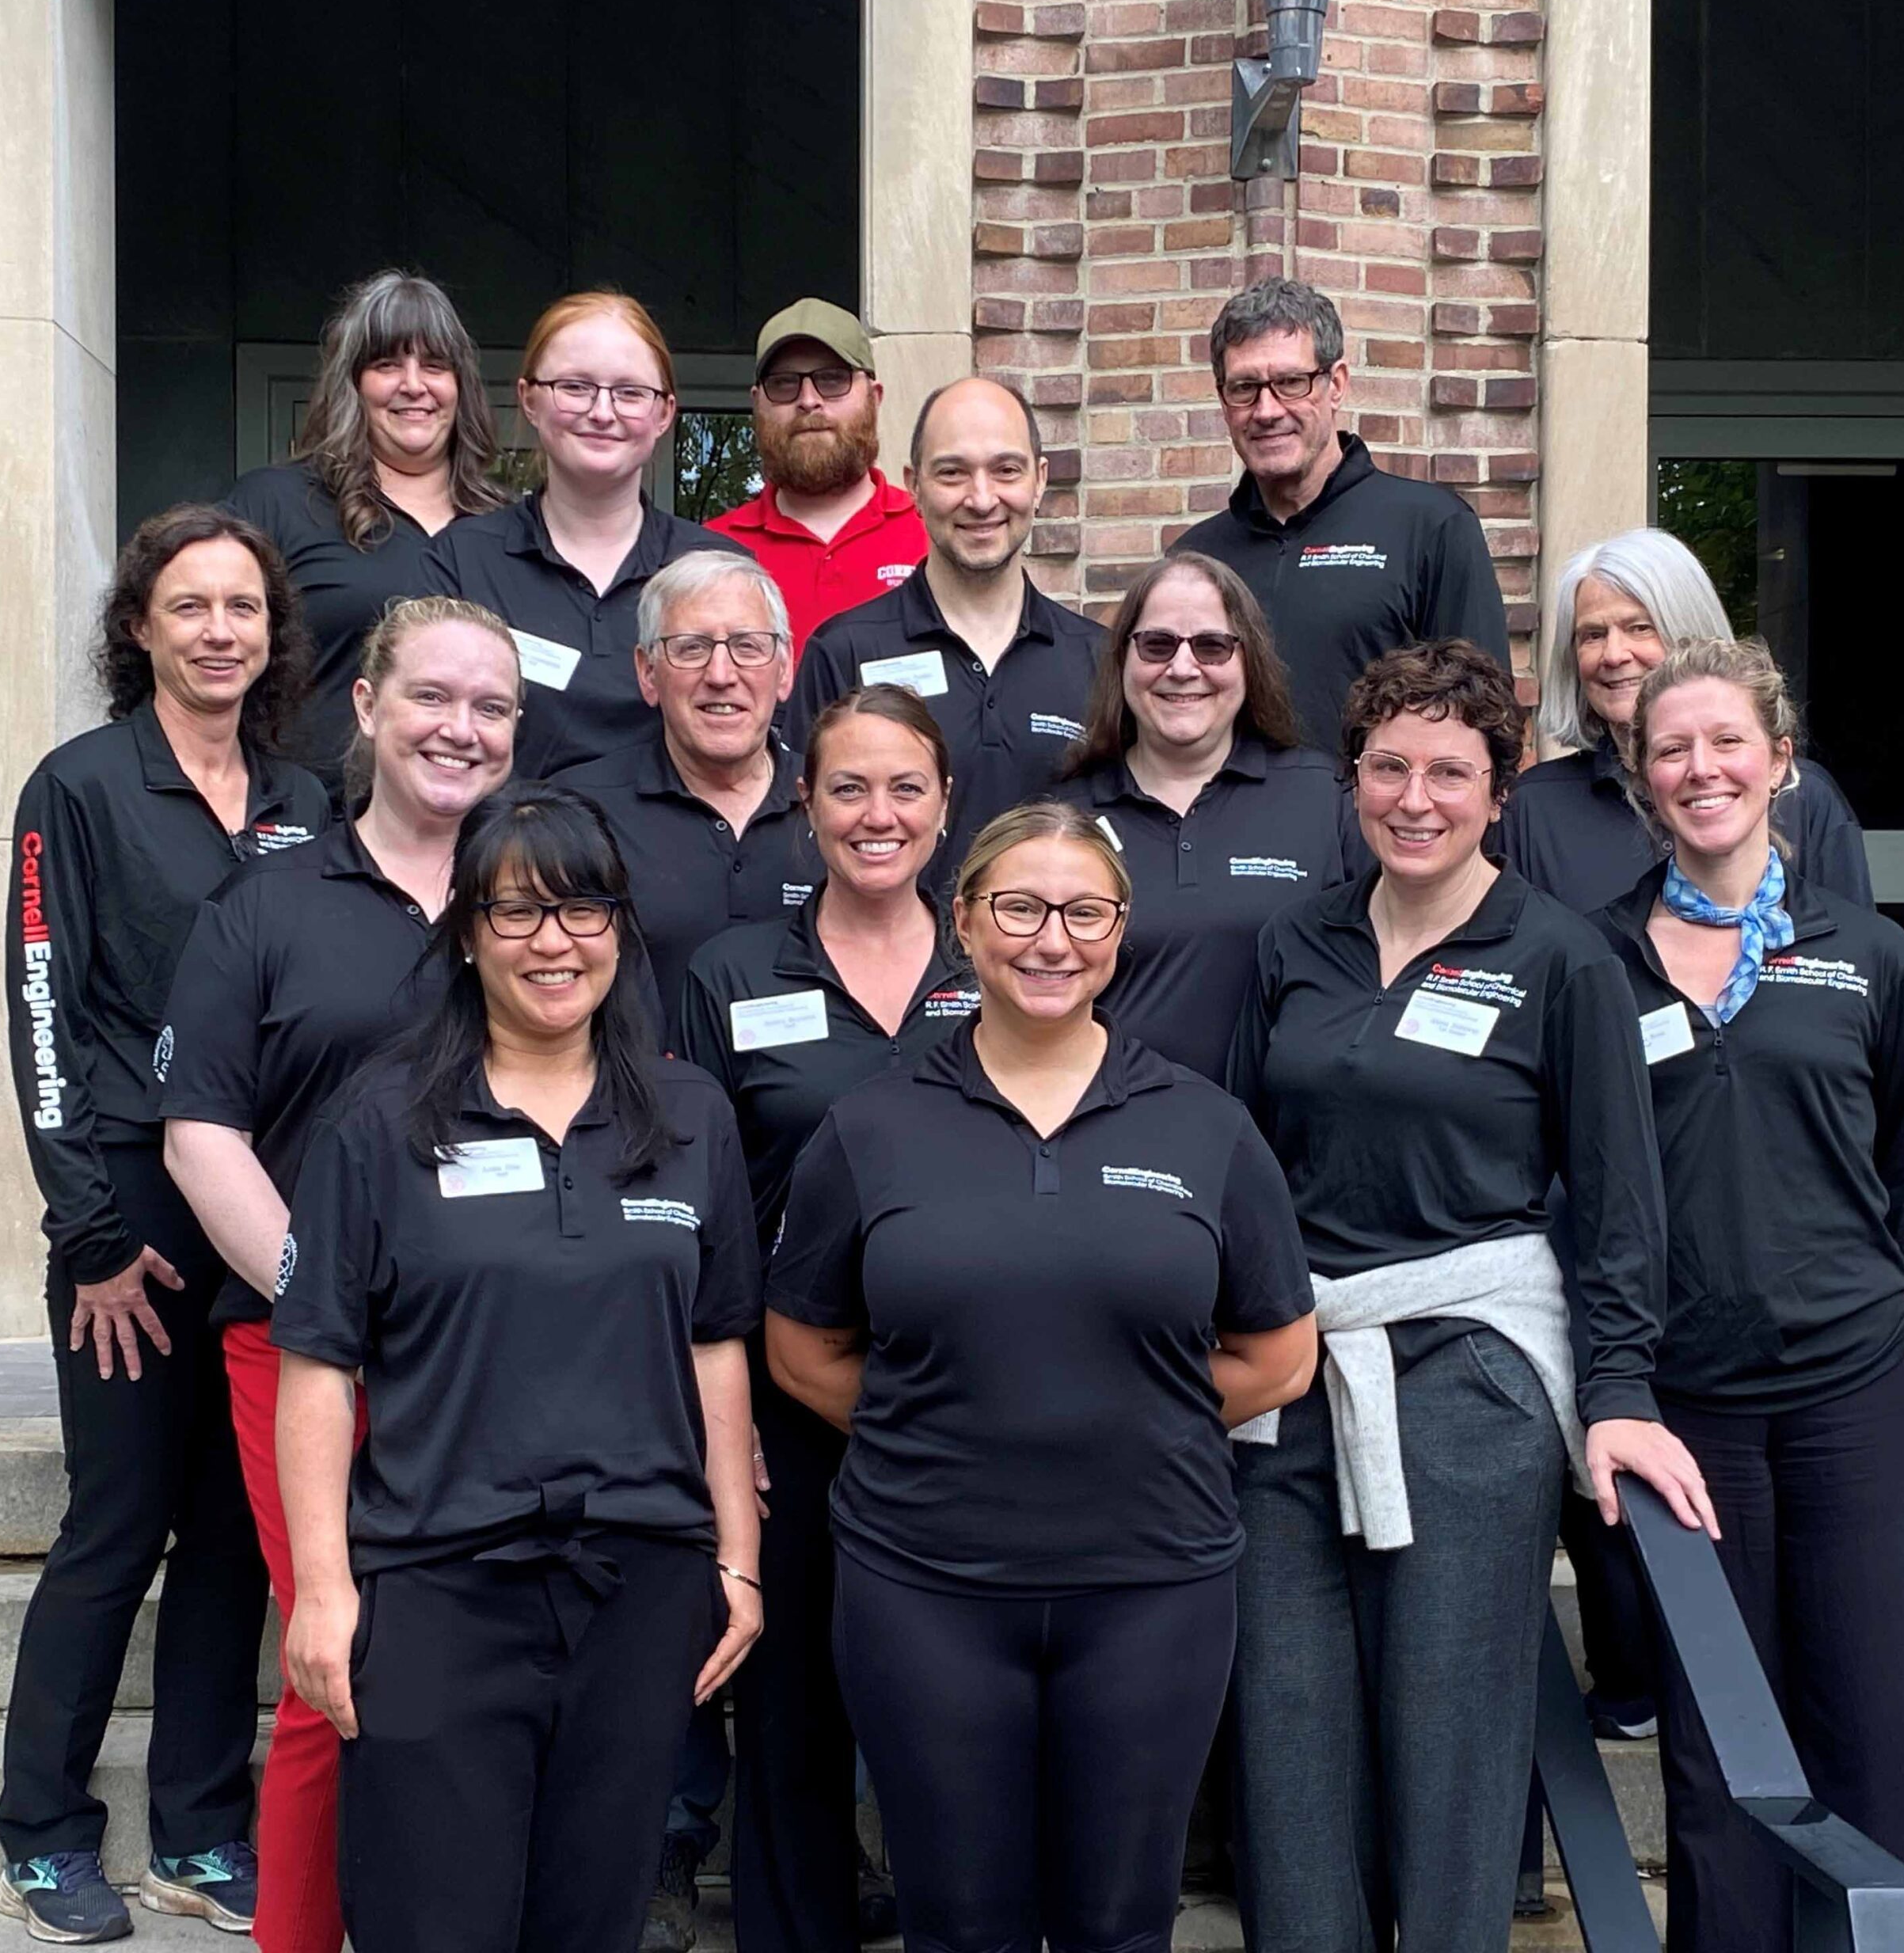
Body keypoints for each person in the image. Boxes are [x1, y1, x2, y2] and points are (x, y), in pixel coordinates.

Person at [1224, 640, 1711, 1953]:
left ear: (1502, 791)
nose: (1416, 797)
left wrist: (1615, 1394)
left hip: (1473, 1377)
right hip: (1297, 1379)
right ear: (1355, 780)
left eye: (1451, 770)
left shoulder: (1558, 957)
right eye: (1389, 767)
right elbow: (1242, 1167)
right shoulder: (1297, 941)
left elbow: (1618, 1204)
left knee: (1451, 1734)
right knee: (1289, 1728)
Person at [766, 801, 1318, 1953]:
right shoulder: (872, 1127)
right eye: (1019, 906)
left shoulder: (1202, 1126)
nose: (1050, 938)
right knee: (959, 1924)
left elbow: (1281, 1352)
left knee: (1120, 1925)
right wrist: (948, 1420)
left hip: (1152, 1587)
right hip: (926, 1586)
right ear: (965, 921)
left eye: (1084, 911)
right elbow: (801, 1344)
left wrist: (1134, 1416)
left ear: (1122, 933)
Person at [272, 787, 763, 1953]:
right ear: (467, 934)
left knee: (591, 1921)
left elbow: (718, 1344)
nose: (555, 942)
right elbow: (317, 1368)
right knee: (431, 1922)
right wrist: (326, 1591)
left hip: (639, 1589)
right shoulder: (381, 1122)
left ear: (621, 928)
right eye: (517, 914)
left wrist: (736, 1561)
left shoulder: (692, 1116)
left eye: (582, 910)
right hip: (440, 1583)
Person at [157, 596, 522, 1953]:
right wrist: (336, 1307)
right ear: (366, 709)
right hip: (306, 1353)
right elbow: (201, 1135)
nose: (461, 728)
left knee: (490, 1662)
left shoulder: (536, 903)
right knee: (337, 1659)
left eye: (492, 708)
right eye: (432, 697)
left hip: (503, 1355)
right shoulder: (266, 907)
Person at [0, 506, 325, 1945]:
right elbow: (40, 1005)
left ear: (272, 635)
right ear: (140, 627)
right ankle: (44, 1832)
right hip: (129, 1208)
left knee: (238, 1535)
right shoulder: (77, 786)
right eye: (188, 606)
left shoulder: (307, 795)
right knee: (119, 1520)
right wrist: (84, 1230)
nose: (216, 631)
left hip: (264, 1200)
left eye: (242, 609)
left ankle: (200, 1832)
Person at [1593, 638, 1904, 1953]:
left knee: (1872, 1725)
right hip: (1687, 1416)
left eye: (1727, 742)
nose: (1702, 768)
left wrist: (1843, 1290)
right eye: (1673, 747)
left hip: (1855, 1396)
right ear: (1642, 775)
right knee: (1720, 1752)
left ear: (1780, 763)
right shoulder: (1597, 963)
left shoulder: (1866, 956)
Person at [672, 684, 975, 1953]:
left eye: (906, 786)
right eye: (848, 787)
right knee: (791, 1710)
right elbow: (691, 1203)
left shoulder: (1001, 958)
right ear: (804, 806)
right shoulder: (734, 971)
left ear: (948, 806)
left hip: (968, 1402)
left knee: (960, 1714)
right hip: (785, 1402)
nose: (877, 813)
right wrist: (720, 1417)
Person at [786, 378, 1103, 891]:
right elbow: (800, 848)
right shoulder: (844, 652)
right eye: (953, 472)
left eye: (1006, 470)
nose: (981, 499)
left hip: (1051, 965)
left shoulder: (1100, 660)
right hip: (885, 968)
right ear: (914, 484)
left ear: (1040, 480)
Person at [1176, 275, 1508, 757]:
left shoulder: (1429, 529)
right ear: (1223, 400)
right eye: (1245, 387)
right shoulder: (1197, 557)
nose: (1266, 410)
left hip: (1375, 829)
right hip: (1224, 829)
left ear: (1336, 385)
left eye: (1291, 382)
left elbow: (1485, 722)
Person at [1051, 549, 1355, 1078]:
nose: (1183, 668)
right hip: (1113, 1136)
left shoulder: (1325, 796)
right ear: (1123, 658)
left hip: (1285, 1143)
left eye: (1212, 646)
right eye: (1158, 644)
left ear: (1249, 660)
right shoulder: (1064, 819)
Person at [422, 291, 744, 782]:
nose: (602, 411)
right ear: (530, 399)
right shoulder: (461, 562)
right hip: (507, 853)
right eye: (575, 387)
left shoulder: (720, 570)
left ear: (664, 414)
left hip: (676, 855)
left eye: (630, 393)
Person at [226, 268, 507, 798]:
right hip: (312, 826)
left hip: (479, 837)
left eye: (435, 366)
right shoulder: (277, 504)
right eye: (386, 365)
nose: (414, 384)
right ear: (352, 384)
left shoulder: (510, 525)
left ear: (460, 386)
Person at [1506, 526, 1872, 912]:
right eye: (1593, 635)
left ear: (1689, 632)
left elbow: (1854, 960)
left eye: (1639, 628)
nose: (1613, 654)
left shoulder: (1802, 796)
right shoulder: (1532, 810)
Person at [558, 551, 815, 1001]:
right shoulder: (578, 814)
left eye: (747, 646)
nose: (720, 675)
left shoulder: (840, 806)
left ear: (784, 667)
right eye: (690, 648)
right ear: (648, 673)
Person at [707, 298, 928, 644]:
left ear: (875, 397)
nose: (808, 400)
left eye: (832, 379)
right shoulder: (712, 552)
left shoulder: (931, 534)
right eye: (783, 383)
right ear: (757, 404)